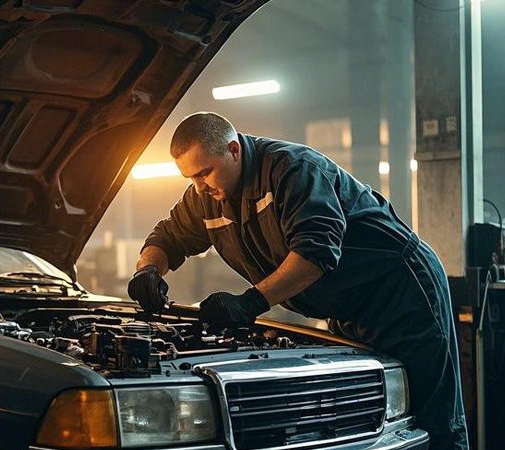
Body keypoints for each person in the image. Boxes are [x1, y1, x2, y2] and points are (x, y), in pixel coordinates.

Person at [127, 112, 469, 450]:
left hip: (399, 289)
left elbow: (315, 252)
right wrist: (148, 270)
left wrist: (250, 303)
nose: (199, 186)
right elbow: (166, 239)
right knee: (366, 422)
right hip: (347, 306)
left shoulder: (292, 169)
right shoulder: (204, 197)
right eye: (190, 178)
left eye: (205, 172)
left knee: (431, 418)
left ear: (233, 150)